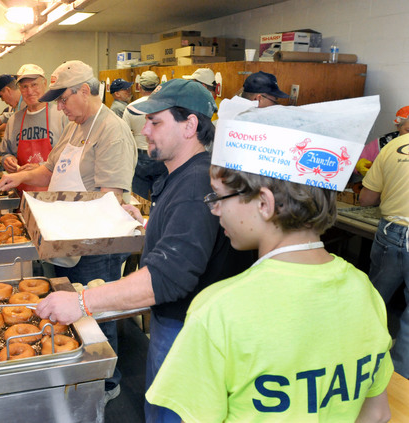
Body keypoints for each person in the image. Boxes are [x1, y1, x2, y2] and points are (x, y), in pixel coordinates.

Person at [147, 99, 394, 422]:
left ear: (263, 203)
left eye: (219, 196)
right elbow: (376, 414)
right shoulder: (364, 292)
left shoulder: (218, 310)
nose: (215, 209)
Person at [33, 78, 243, 422]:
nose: (144, 130)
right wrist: (146, 225)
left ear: (190, 125)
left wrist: (81, 303)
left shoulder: (195, 184)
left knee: (169, 414)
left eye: (156, 122)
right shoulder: (183, 176)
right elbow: (190, 243)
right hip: (174, 323)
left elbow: (167, 279)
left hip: (185, 330)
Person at [0, 60, 137, 403]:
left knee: (95, 312)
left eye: (63, 99)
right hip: (64, 239)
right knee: (71, 310)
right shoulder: (76, 126)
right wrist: (20, 177)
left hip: (92, 243)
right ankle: (78, 372)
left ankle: (106, 383)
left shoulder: (110, 131)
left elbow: (111, 198)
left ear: (84, 91)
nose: (58, 106)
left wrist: (60, 214)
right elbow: (49, 170)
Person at [360, 133, 409, 379]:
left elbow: (366, 198)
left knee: (372, 301)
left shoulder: (394, 146)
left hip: (392, 231)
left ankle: (353, 361)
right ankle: (400, 383)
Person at [0, 64, 68, 191]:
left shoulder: (62, 116)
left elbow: (72, 158)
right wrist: (7, 159)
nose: (29, 91)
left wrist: (42, 168)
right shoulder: (14, 120)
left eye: (34, 85)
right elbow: (4, 152)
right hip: (23, 195)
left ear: (44, 84)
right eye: (24, 87)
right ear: (20, 89)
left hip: (55, 194)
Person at [122, 70, 166, 199]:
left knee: (138, 197)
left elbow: (125, 136)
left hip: (139, 157)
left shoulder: (131, 107)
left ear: (139, 87)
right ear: (158, 86)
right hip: (161, 155)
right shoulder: (165, 107)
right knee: (161, 196)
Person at [356, 106, 409, 176]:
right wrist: (359, 164)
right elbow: (353, 161)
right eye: (408, 130)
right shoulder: (383, 142)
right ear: (398, 127)